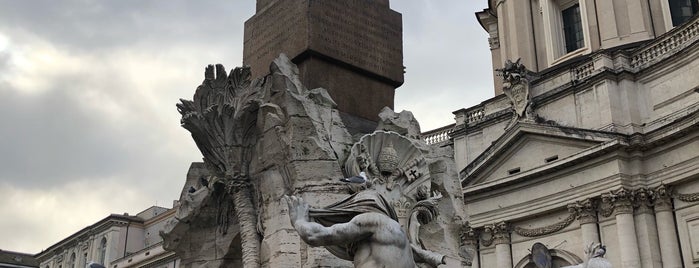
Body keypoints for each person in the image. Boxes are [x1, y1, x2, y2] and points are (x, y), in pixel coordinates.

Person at [284, 193, 445, 267]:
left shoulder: (374, 220)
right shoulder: (400, 242)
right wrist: (434, 258)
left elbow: (315, 236)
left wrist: (298, 221)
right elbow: (417, 253)